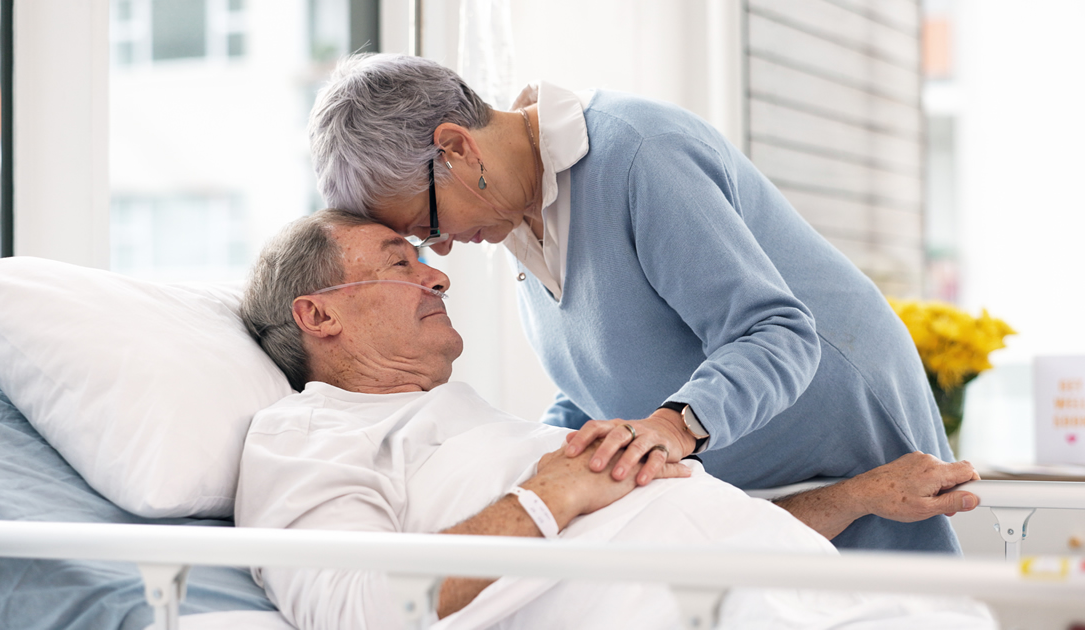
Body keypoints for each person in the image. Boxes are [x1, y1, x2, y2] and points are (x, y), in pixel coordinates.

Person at [306, 54, 961, 553]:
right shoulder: (515, 220)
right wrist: (547, 453)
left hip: (841, 443)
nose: (442, 253)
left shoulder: (637, 154)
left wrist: (671, 428)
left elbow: (778, 332)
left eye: (429, 225)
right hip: (737, 485)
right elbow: (603, 378)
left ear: (456, 148)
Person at [235, 210, 983, 629]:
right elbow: (354, 610)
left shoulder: (474, 422)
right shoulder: (305, 437)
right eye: (400, 263)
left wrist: (855, 498)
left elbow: (663, 520)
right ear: (318, 314)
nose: (437, 272)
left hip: (799, 592)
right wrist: (546, 496)